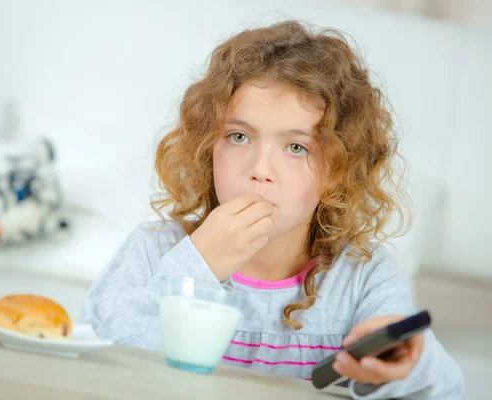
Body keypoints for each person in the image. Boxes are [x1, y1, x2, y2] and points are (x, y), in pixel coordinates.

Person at [79, 20, 464, 399]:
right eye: (239, 136)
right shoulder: (154, 250)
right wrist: (197, 266)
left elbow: (446, 390)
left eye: (296, 147)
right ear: (206, 147)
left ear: (339, 167)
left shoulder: (363, 277)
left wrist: (407, 361)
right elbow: (90, 363)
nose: (260, 170)